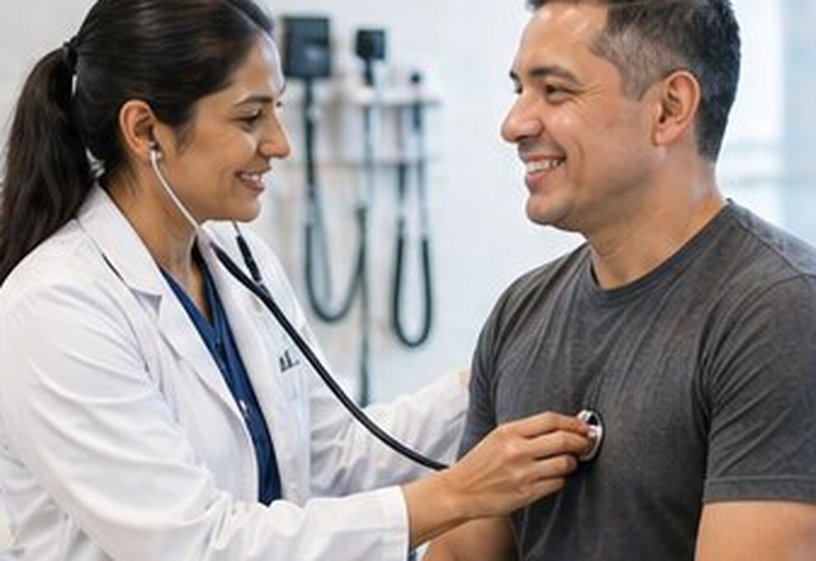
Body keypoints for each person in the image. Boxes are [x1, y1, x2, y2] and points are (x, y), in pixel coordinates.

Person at [0, 1, 594, 559]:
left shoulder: (238, 258)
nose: (279, 144)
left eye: (277, 109)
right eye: (250, 116)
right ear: (145, 131)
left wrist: (500, 367)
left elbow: (336, 457)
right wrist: (456, 496)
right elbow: (196, 544)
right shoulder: (57, 307)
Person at [424, 1, 816, 560]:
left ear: (670, 109)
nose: (515, 124)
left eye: (554, 91)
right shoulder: (522, 312)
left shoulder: (790, 316)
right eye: (518, 90)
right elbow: (459, 555)